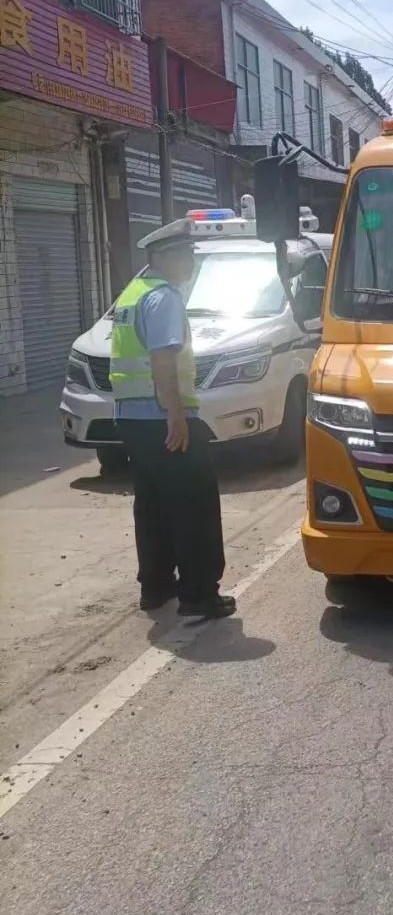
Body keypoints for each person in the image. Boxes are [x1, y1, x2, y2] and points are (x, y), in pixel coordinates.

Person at [110, 218, 235, 619]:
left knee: (153, 505)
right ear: (164, 257)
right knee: (193, 505)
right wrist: (176, 415)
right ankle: (199, 594)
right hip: (163, 417)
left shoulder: (132, 293)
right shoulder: (164, 297)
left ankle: (156, 586)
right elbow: (163, 360)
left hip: (132, 419)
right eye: (186, 255)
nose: (192, 263)